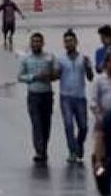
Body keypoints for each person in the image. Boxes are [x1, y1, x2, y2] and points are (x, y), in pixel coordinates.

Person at [17, 32, 59, 164]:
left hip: (46, 94)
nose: (36, 44)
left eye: (38, 42)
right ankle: (39, 151)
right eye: (34, 42)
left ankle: (44, 147)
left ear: (42, 43)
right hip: (34, 95)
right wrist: (34, 77)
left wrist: (50, 75)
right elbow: (20, 76)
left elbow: (56, 74)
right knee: (37, 124)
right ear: (30, 44)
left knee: (46, 124)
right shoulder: (26, 59)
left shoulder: (49, 57)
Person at [56, 29, 94, 164]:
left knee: (83, 126)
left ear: (76, 42)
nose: (68, 44)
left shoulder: (83, 58)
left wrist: (88, 67)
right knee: (68, 125)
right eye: (66, 41)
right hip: (65, 96)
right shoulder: (60, 59)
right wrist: (54, 72)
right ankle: (72, 151)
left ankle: (79, 144)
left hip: (80, 97)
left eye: (71, 41)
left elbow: (90, 78)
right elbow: (56, 76)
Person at [90, 50, 111, 123]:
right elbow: (93, 101)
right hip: (103, 117)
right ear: (107, 63)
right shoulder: (98, 79)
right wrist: (99, 117)